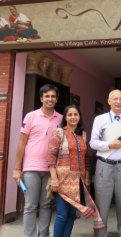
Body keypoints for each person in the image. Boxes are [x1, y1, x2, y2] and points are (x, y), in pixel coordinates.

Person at [47, 105, 105, 237]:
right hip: (61, 180)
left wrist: (86, 178)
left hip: (77, 181)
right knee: (62, 214)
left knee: (72, 214)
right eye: (70, 115)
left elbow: (86, 159)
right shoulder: (59, 133)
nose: (73, 117)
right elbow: (51, 157)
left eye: (76, 114)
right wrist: (54, 179)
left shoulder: (83, 135)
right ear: (65, 117)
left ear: (79, 117)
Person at [12, 84, 62, 237]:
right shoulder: (30, 116)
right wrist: (17, 169)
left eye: (53, 96)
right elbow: (21, 144)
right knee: (30, 206)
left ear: (56, 99)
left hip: (51, 170)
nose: (50, 99)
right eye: (47, 96)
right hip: (31, 168)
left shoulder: (61, 118)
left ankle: (43, 235)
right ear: (41, 98)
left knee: (47, 205)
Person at [90, 89, 121, 237]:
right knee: (101, 206)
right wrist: (110, 145)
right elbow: (93, 143)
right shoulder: (100, 119)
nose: (118, 102)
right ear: (109, 101)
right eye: (115, 99)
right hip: (104, 165)